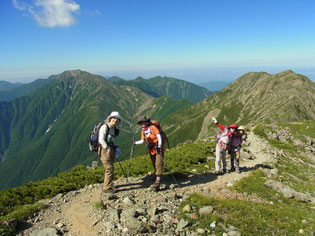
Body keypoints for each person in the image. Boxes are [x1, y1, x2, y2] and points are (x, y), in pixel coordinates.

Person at [134, 116, 165, 190]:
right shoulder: (143, 131)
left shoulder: (153, 128)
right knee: (154, 163)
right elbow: (142, 141)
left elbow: (159, 136)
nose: (142, 124)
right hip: (151, 149)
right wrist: (135, 142)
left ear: (147, 121)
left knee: (158, 163)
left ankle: (158, 181)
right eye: (140, 123)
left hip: (158, 148)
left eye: (143, 122)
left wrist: (159, 146)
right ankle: (158, 175)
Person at [98, 111, 122, 194]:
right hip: (104, 150)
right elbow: (101, 140)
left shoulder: (114, 129)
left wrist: (115, 148)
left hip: (111, 149)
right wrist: (107, 148)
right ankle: (106, 188)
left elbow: (112, 140)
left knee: (110, 167)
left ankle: (108, 184)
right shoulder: (105, 127)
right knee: (109, 168)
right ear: (110, 119)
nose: (115, 120)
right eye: (114, 119)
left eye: (117, 120)